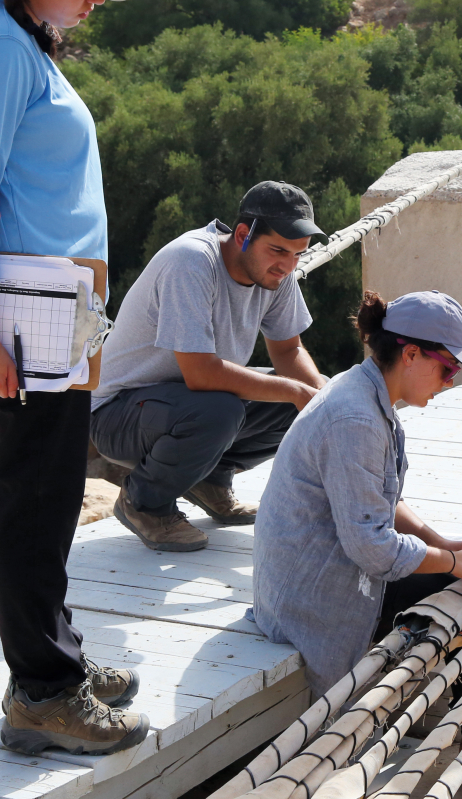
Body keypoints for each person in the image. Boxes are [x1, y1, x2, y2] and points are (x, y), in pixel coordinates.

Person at [0, 0, 151, 755]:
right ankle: (42, 689)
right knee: (34, 495)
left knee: (57, 488)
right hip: (24, 316)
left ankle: (54, 655)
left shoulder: (21, 35)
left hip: (57, 304)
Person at [254, 291, 462, 797]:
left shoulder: (362, 391)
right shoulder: (356, 418)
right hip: (319, 594)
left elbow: (378, 503)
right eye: (447, 369)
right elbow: (373, 549)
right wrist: (452, 562)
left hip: (330, 568)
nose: (450, 382)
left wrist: (435, 540)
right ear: (409, 354)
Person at [91, 182, 329, 552]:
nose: (287, 265)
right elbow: (201, 374)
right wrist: (299, 393)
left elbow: (288, 350)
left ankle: (210, 481)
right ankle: (144, 503)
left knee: (311, 399)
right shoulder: (191, 261)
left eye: (298, 254)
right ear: (243, 235)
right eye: (278, 250)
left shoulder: (275, 273)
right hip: (116, 413)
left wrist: (321, 400)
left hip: (185, 405)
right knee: (223, 409)